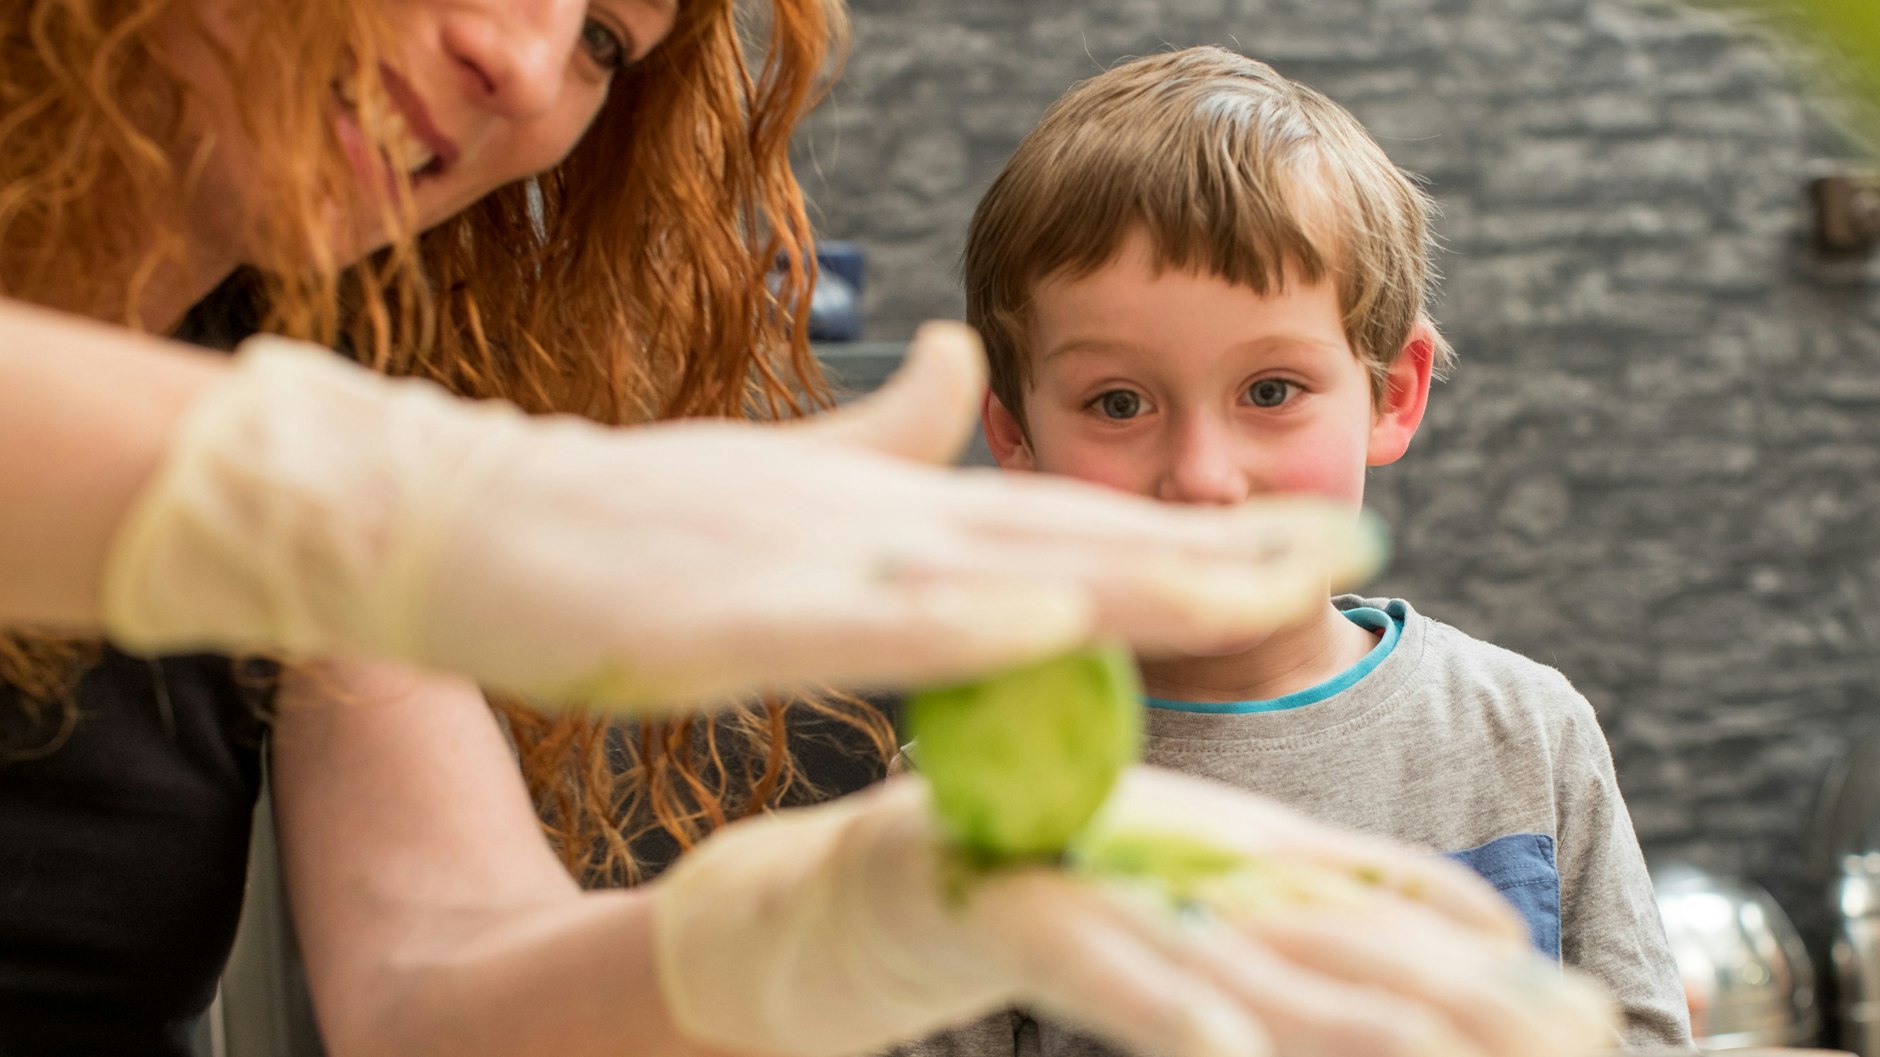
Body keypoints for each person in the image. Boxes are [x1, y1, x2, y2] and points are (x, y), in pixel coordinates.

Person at [0, 2, 1617, 1056]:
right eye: (1118, 400)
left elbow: (422, 990)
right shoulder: (351, 471)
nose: (520, 60)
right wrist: (392, 502)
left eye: (607, 46)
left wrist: (782, 948)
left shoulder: (326, 371)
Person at [891, 45, 1692, 1057]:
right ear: (1015, 435)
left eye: (1268, 391)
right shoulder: (963, 798)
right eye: (1117, 402)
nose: (1202, 475)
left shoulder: (1524, 733)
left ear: (1390, 395)